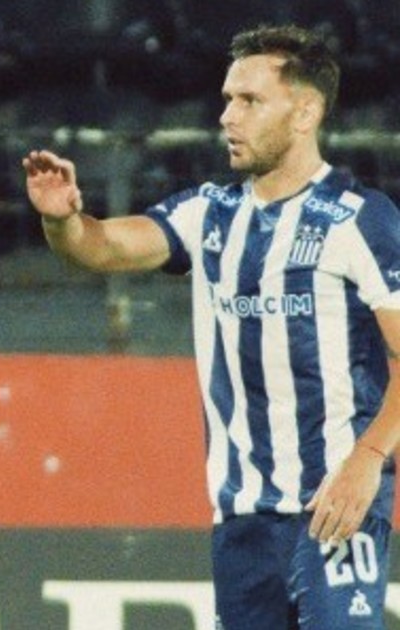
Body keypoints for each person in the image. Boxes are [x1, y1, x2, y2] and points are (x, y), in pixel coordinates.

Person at [24, 24, 400, 630]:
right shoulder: (208, 213)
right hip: (241, 520)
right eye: (227, 99)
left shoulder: (359, 220)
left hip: (334, 508)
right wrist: (62, 221)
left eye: (249, 100)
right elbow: (104, 247)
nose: (228, 116)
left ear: (305, 113)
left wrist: (368, 460)